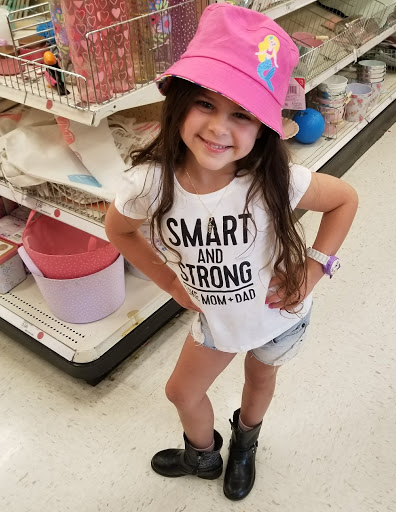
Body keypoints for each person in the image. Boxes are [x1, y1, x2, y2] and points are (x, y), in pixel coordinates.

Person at [105, 3, 358, 501]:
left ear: (263, 127)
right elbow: (120, 231)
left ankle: (246, 444)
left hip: (281, 316)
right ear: (179, 101)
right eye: (206, 104)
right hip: (217, 320)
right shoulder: (149, 184)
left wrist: (313, 269)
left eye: (242, 114)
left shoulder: (274, 179)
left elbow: (344, 200)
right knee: (181, 392)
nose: (220, 128)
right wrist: (170, 283)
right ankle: (202, 456)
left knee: (259, 383)